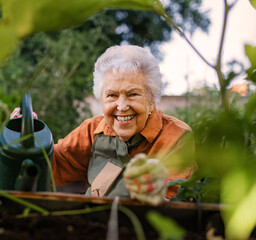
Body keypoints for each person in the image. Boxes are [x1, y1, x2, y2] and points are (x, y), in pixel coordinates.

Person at [11, 45, 195, 205]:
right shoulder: (92, 131)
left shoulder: (176, 136)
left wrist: (151, 191)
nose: (122, 107)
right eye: (112, 95)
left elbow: (173, 203)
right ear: (101, 100)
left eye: (133, 94)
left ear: (152, 99)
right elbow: (53, 163)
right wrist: (26, 137)